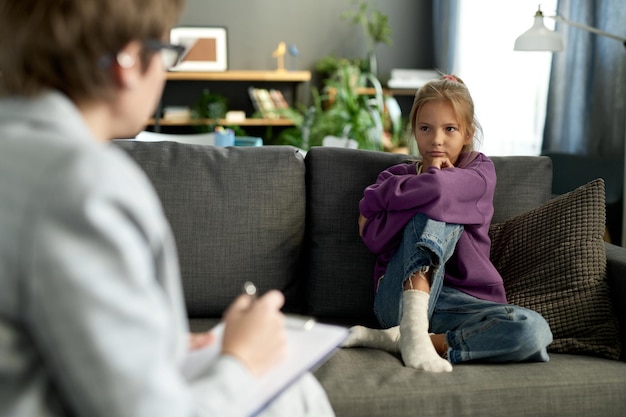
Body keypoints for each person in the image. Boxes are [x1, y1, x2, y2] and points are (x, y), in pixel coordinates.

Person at [0, 1, 334, 416]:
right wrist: (243, 363)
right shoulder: (80, 185)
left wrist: (159, 343)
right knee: (290, 394)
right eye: (166, 55)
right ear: (128, 60)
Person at [342, 75, 553, 372]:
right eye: (425, 128)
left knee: (534, 330)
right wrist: (421, 186)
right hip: (398, 299)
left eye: (449, 129)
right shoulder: (394, 175)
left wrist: (389, 199)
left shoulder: (480, 172)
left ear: (467, 133)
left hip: (464, 304)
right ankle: (411, 325)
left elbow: (428, 194)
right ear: (414, 131)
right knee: (438, 208)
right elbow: (371, 235)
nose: (436, 140)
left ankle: (416, 340)